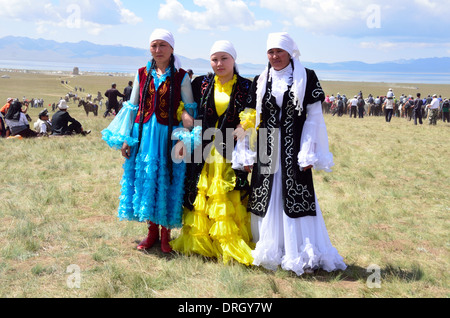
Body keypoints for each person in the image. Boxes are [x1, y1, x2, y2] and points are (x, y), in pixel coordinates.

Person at [234, 32, 347, 276]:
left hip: (294, 147)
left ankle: (299, 251)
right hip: (266, 145)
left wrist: (308, 151)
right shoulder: (260, 79)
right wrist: (243, 151)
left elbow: (314, 118)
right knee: (266, 197)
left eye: (279, 51)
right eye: (270, 52)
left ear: (290, 53)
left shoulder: (307, 77)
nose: (275, 56)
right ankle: (271, 248)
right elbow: (249, 117)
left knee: (295, 196)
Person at [101, 29, 197, 253]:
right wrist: (126, 139)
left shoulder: (181, 76)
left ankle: (165, 234)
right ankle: (151, 232)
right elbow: (132, 106)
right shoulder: (142, 74)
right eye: (154, 45)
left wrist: (185, 140)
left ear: (172, 48)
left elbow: (190, 110)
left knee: (165, 182)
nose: (158, 50)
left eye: (163, 45)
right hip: (143, 135)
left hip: (167, 137)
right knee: (146, 181)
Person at [170, 40, 254, 266]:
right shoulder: (201, 83)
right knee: (201, 192)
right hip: (203, 147)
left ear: (234, 60)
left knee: (226, 196)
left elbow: (254, 110)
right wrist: (184, 115)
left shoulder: (247, 86)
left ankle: (227, 244)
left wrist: (244, 126)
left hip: (230, 149)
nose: (219, 63)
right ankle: (201, 243)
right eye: (215, 59)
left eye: (224, 58)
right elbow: (185, 104)